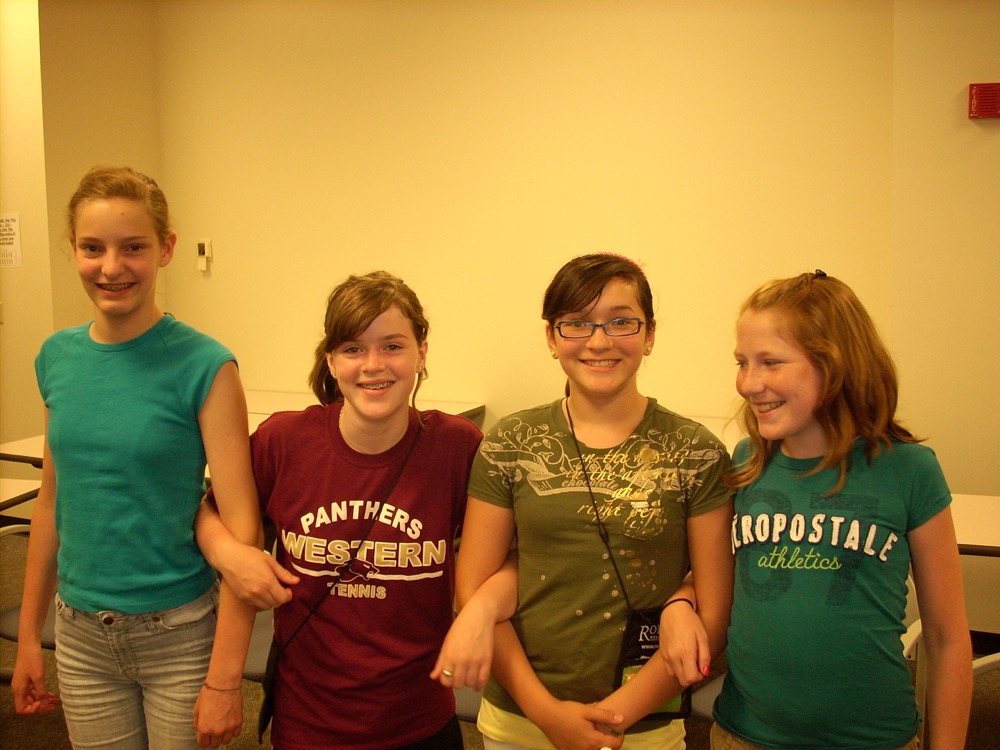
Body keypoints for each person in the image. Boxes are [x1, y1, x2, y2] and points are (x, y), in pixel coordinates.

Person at [666, 270, 973, 750]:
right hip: (744, 735)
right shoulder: (747, 461)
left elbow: (946, 636)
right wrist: (680, 603)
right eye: (742, 362)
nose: (748, 383)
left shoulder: (910, 470)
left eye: (770, 362)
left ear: (835, 364)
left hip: (873, 739)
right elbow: (717, 574)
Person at [12, 165, 261, 749]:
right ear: (72, 248)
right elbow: (52, 502)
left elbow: (243, 528)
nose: (111, 267)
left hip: (178, 633)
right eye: (92, 248)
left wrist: (225, 678)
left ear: (165, 249)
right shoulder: (56, 358)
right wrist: (28, 637)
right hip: (79, 635)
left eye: (133, 247)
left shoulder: (205, 366)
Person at [443, 253, 735, 750]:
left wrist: (613, 719)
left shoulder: (697, 452)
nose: (599, 341)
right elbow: (473, 591)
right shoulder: (511, 442)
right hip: (520, 720)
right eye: (577, 323)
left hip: (644, 724)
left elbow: (714, 614)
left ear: (649, 334)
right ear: (551, 338)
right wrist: (548, 715)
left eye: (621, 321)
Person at [196, 271, 484, 750]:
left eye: (392, 346)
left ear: (421, 353)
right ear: (330, 360)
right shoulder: (285, 442)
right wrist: (228, 554)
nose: (373, 365)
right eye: (353, 348)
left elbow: (512, 545)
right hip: (310, 721)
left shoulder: (457, 447)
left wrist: (479, 612)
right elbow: (205, 511)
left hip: (419, 718)